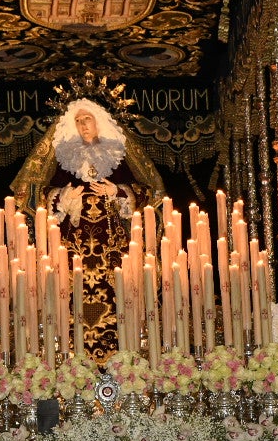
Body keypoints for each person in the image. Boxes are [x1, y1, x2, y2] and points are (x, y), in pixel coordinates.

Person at [12, 98, 164, 361]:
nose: (83, 124)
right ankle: (71, 358)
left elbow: (148, 192)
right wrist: (63, 197)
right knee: (70, 298)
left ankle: (124, 357)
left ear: (99, 122)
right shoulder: (64, 157)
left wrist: (117, 191)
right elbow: (39, 193)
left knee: (120, 298)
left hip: (114, 248)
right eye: (78, 120)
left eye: (87, 118)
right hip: (73, 248)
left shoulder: (119, 154)